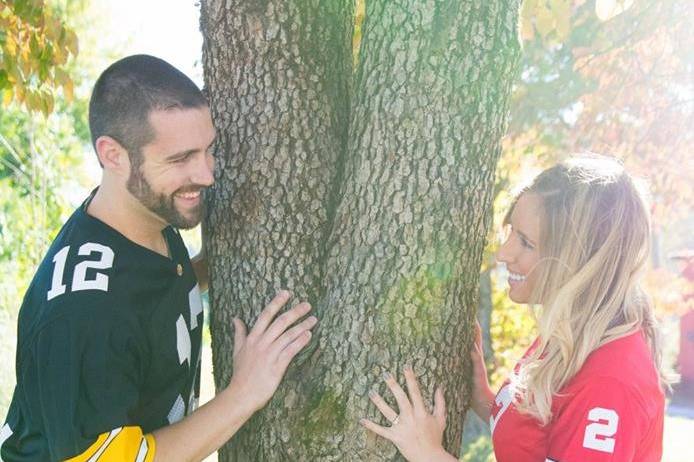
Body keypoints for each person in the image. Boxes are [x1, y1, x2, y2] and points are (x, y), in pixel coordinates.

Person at [0, 54, 317, 462]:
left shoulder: (148, 216)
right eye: (180, 159)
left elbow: (145, 292)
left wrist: (209, 266)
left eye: (208, 150)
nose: (206, 175)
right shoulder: (84, 315)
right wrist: (244, 394)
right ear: (113, 156)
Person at [361, 155, 668, 461]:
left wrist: (427, 454)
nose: (504, 254)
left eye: (526, 242)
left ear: (578, 261)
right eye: (511, 232)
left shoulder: (609, 383)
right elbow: (542, 444)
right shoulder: (572, 334)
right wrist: (484, 399)